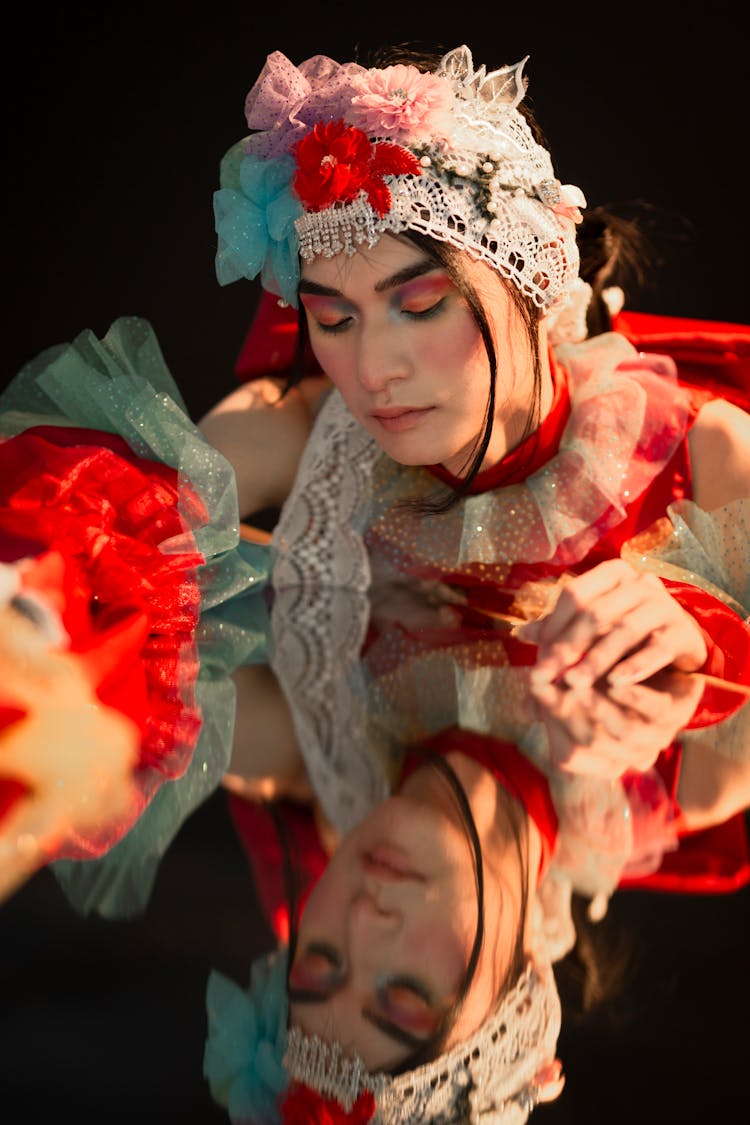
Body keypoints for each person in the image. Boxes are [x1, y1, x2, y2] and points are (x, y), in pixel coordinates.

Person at [197, 41, 750, 1123]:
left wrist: (707, 607)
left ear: (526, 284)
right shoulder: (336, 441)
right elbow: (173, 478)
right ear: (505, 991)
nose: (372, 371)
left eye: (418, 302)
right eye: (335, 315)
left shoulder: (701, 455)